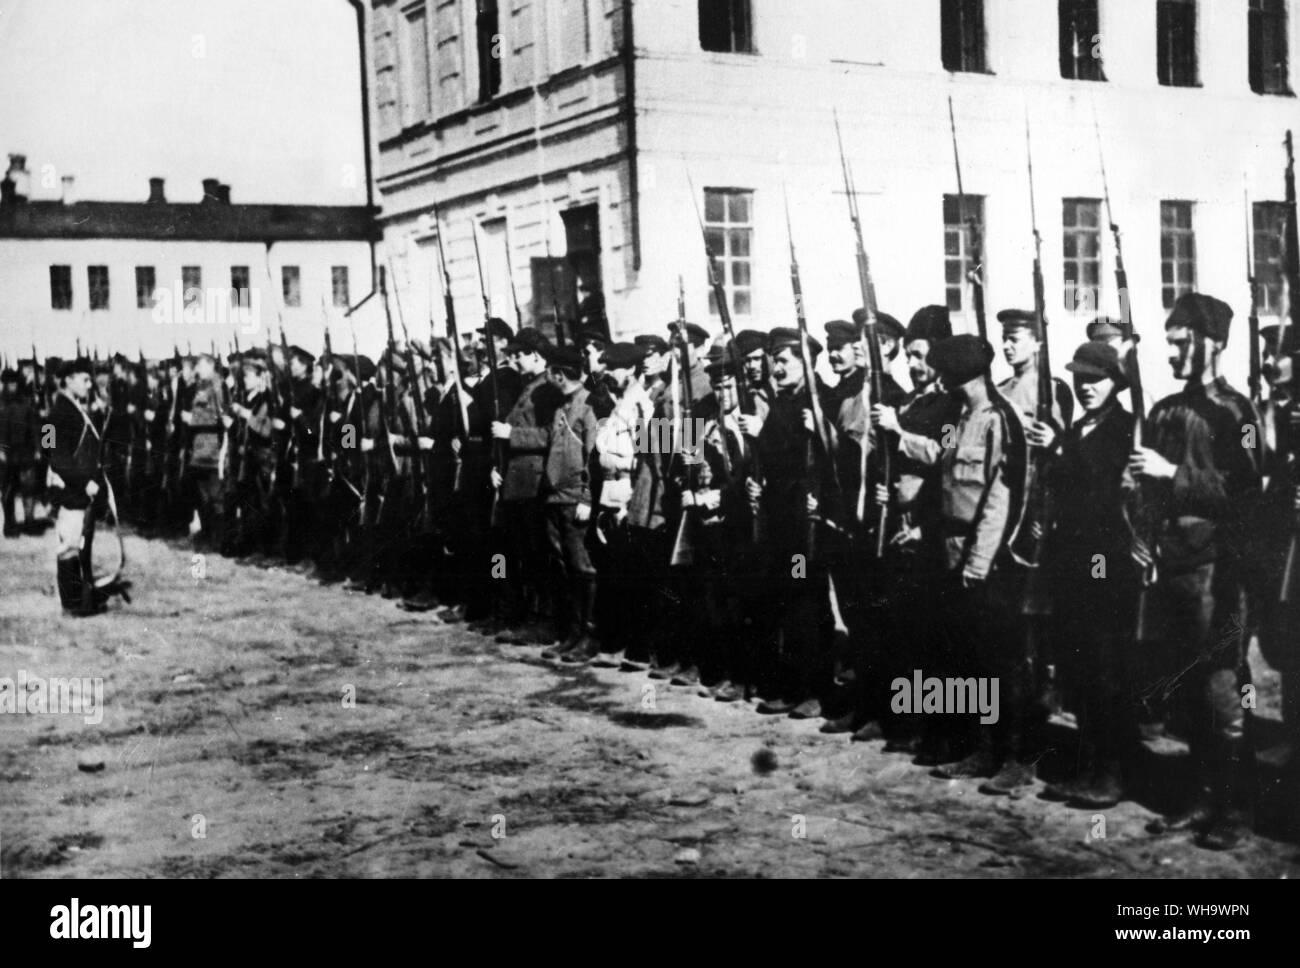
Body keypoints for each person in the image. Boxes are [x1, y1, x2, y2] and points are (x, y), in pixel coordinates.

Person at [1137, 293, 1263, 851]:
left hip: (1219, 571)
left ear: (1212, 343)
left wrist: (1174, 475)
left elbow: (1249, 488)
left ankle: (1236, 807)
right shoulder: (1164, 408)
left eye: (1183, 340)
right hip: (1172, 569)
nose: (1173, 351)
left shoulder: (1238, 414)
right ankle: (1200, 798)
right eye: (1169, 340)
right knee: (1187, 688)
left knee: (1224, 690)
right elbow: (1143, 487)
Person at [920, 335, 1031, 793]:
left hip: (985, 560)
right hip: (951, 552)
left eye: (946, 375)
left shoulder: (998, 419)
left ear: (962, 376)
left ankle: (1017, 757)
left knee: (1001, 662)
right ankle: (981, 748)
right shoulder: (960, 418)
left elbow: (1000, 497)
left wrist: (978, 562)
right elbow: (939, 462)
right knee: (971, 660)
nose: (942, 382)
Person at [1041, 341, 1140, 808]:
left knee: (1107, 671)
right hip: (1073, 563)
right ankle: (1090, 765)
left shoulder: (1125, 427)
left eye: (1095, 380)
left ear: (1116, 383)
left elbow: (1103, 484)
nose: (1085, 389)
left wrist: (1059, 445)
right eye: (1079, 381)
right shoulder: (1080, 425)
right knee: (1080, 669)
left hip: (1106, 565)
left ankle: (1114, 772)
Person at [538, 346, 601, 662]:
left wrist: (587, 498)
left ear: (558, 374)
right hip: (555, 497)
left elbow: (594, 456)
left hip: (575, 498)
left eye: (549, 371)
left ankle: (588, 636)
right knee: (564, 567)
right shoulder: (562, 406)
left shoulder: (588, 406)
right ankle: (572, 634)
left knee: (581, 568)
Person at [48, 358, 107, 616]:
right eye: (84, 380)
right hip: (74, 490)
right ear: (68, 380)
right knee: (70, 545)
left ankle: (82, 596)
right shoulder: (58, 412)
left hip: (82, 489)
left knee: (81, 542)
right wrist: (84, 482)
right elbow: (52, 454)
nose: (89, 384)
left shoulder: (73, 409)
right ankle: (73, 602)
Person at [1, 367, 39, 536]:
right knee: (8, 491)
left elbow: (36, 427)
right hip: (6, 454)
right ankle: (10, 525)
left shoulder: (26, 403)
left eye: (14, 383)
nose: (12, 387)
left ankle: (30, 523)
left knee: (28, 488)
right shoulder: (1, 404)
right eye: (8, 383)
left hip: (25, 452)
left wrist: (40, 449)